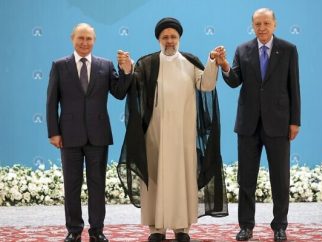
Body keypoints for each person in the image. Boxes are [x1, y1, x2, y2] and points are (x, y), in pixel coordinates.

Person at [116, 17, 228, 242]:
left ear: (179, 39)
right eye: (165, 37)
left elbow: (206, 84)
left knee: (182, 179)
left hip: (184, 135)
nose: (169, 41)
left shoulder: (190, 62)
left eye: (173, 37)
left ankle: (182, 228)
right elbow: (135, 86)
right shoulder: (147, 63)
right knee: (155, 179)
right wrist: (127, 69)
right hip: (154, 134)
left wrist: (212, 62)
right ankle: (156, 229)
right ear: (158, 39)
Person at [219, 8, 301, 241]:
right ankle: (246, 226)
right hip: (248, 125)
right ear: (252, 26)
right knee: (246, 179)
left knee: (280, 179)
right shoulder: (242, 50)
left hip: (279, 124)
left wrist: (295, 121)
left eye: (266, 23)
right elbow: (234, 81)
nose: (262, 28)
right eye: (257, 24)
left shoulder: (288, 49)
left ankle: (280, 227)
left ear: (274, 24)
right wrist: (225, 65)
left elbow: (294, 86)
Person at [46, 23, 131, 242]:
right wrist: (53, 132)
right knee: (71, 184)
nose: (85, 43)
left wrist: (126, 70)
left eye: (89, 39)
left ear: (94, 41)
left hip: (98, 135)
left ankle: (97, 230)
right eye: (80, 38)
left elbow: (120, 93)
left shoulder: (106, 65)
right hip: (69, 135)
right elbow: (51, 101)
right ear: (72, 39)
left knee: (97, 184)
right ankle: (74, 230)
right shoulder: (59, 65)